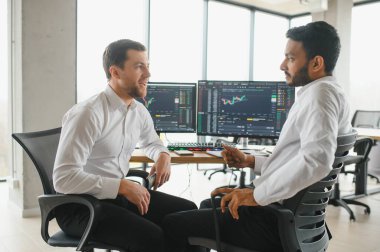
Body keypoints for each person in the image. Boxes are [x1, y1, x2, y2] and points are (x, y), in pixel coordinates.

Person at [163, 21, 352, 252]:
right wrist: (250, 161)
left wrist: (256, 195)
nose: (283, 65)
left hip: (272, 222)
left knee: (173, 224)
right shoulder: (329, 92)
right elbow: (296, 158)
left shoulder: (320, 96)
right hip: (292, 217)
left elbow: (316, 161)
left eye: (291, 58)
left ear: (316, 62)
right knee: (208, 205)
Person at [53, 39, 197, 252]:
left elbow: (151, 142)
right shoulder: (88, 114)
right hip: (80, 206)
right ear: (115, 72)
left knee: (188, 215)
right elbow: (63, 179)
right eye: (139, 67)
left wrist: (163, 156)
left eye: (148, 66)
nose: (148, 74)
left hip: (116, 196)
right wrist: (121, 186)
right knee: (152, 237)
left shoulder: (138, 111)